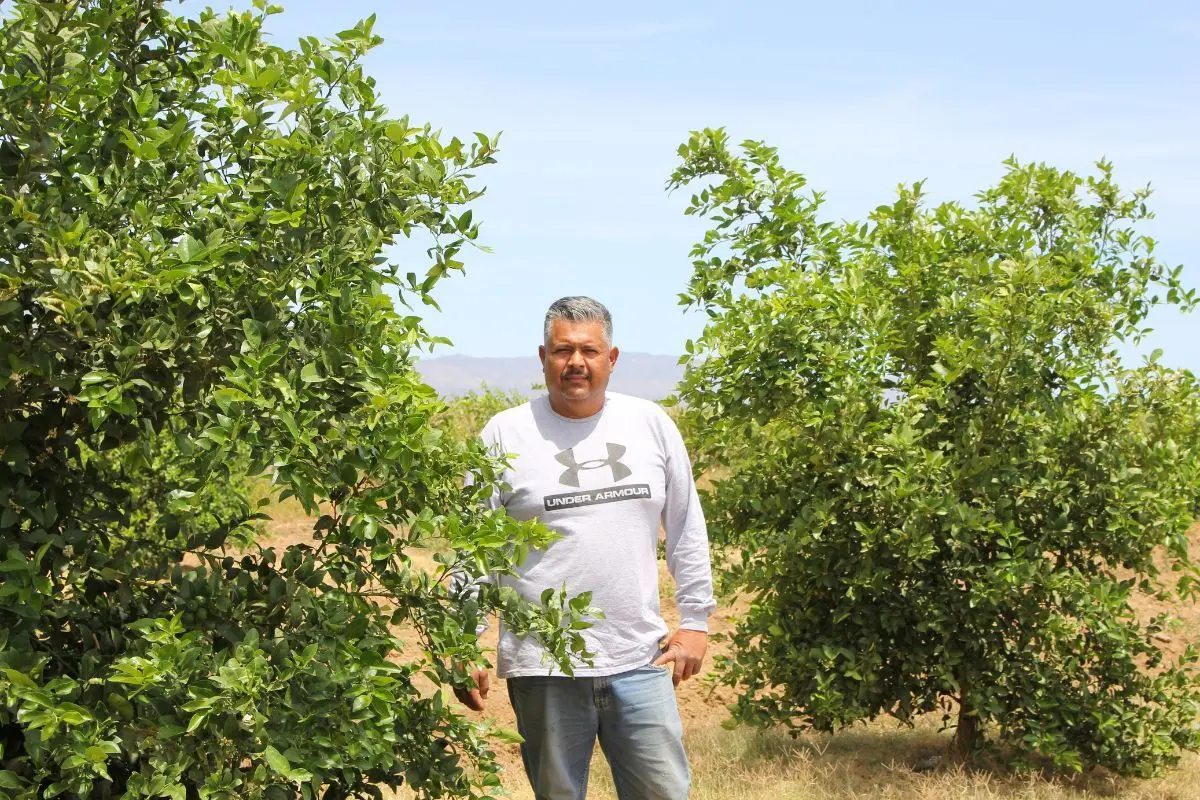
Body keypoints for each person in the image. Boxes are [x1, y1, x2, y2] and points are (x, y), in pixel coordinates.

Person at [456, 296, 715, 800]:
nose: (576, 362)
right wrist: (463, 640)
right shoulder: (503, 434)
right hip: (543, 665)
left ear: (611, 358)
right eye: (562, 351)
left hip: (640, 657)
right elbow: (472, 547)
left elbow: (686, 525)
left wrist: (697, 620)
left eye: (589, 351)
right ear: (542, 356)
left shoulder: (650, 424)